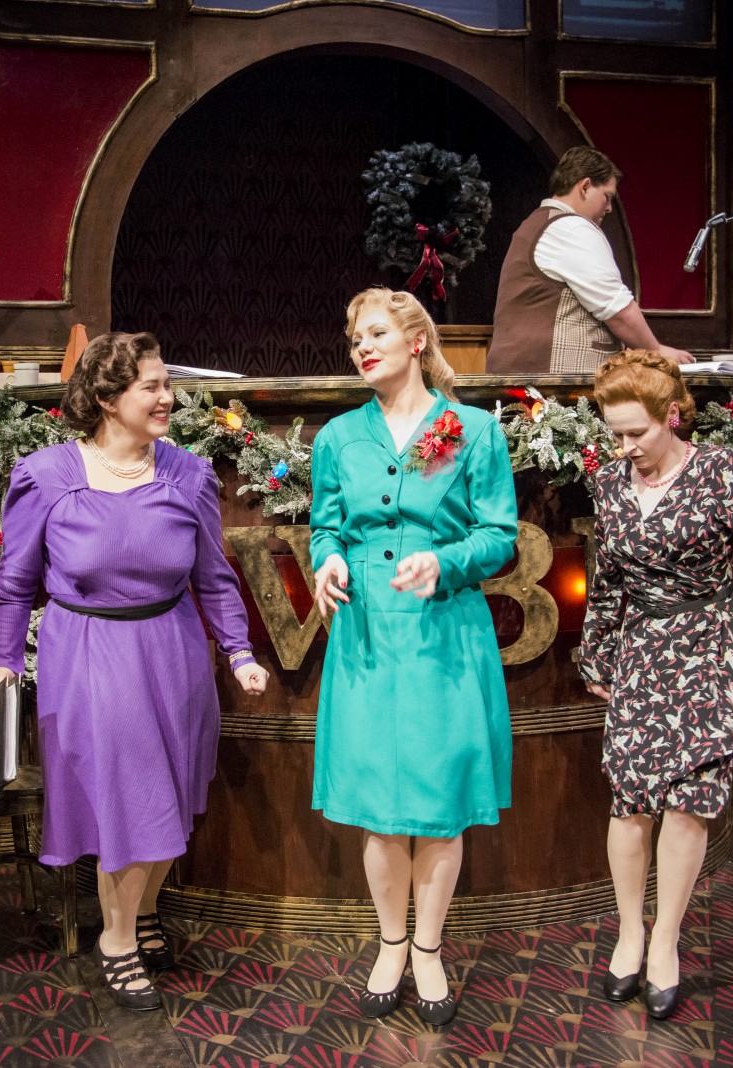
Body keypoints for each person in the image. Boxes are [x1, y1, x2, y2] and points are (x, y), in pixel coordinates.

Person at [0, 331, 268, 1010]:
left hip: (172, 649)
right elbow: (13, 584)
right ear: (108, 399)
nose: (169, 398)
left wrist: (239, 652)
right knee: (131, 799)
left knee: (171, 793)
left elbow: (214, 578)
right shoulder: (47, 476)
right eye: (152, 388)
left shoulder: (189, 475)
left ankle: (140, 911)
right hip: (88, 653)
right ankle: (116, 939)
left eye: (168, 385)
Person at [579, 350, 733, 1020]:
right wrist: (598, 655)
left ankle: (666, 941)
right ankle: (629, 931)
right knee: (630, 799)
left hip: (711, 647)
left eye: (636, 432)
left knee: (689, 802)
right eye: (615, 433)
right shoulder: (610, 483)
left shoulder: (718, 473)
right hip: (643, 650)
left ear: (671, 417)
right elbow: (608, 580)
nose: (625, 446)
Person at [310, 287, 517, 1027]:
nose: (362, 348)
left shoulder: (474, 431)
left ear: (416, 342)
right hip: (367, 633)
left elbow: (500, 535)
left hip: (443, 634)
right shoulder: (338, 437)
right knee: (378, 804)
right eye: (354, 339)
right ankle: (390, 944)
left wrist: (447, 562)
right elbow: (326, 526)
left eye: (375, 334)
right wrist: (329, 560)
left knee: (438, 803)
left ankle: (429, 948)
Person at [488, 146, 693, 373]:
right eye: (607, 196)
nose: (609, 208)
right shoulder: (572, 227)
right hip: (551, 380)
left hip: (521, 371)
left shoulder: (534, 224)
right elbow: (618, 310)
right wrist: (656, 352)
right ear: (585, 186)